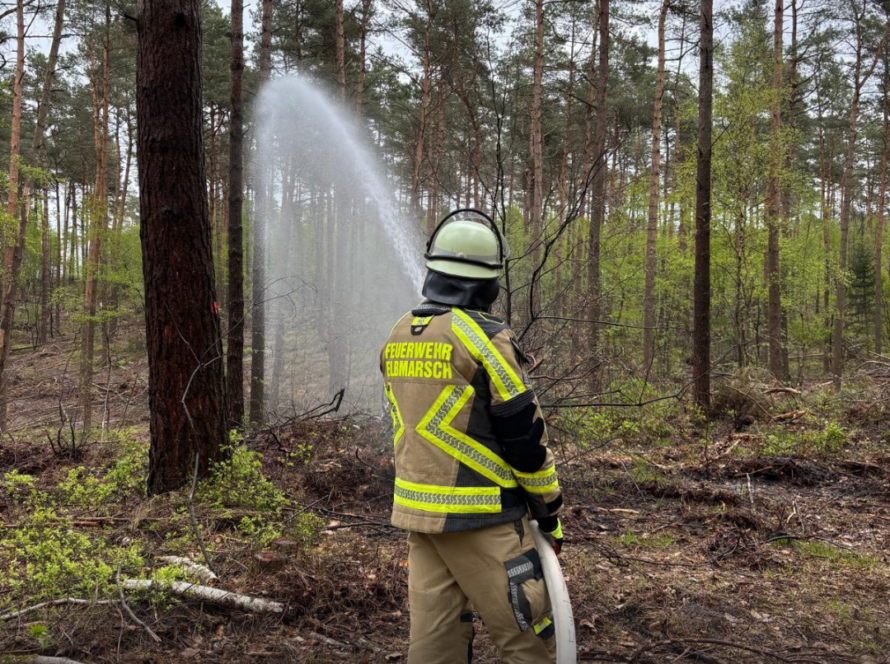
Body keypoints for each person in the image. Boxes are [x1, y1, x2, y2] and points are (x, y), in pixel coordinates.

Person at [380, 209, 564, 664]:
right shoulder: (486, 338)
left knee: (433, 646)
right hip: (485, 519)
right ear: (489, 282)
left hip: (419, 517)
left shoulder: (400, 333)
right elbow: (525, 437)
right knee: (530, 641)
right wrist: (549, 512)